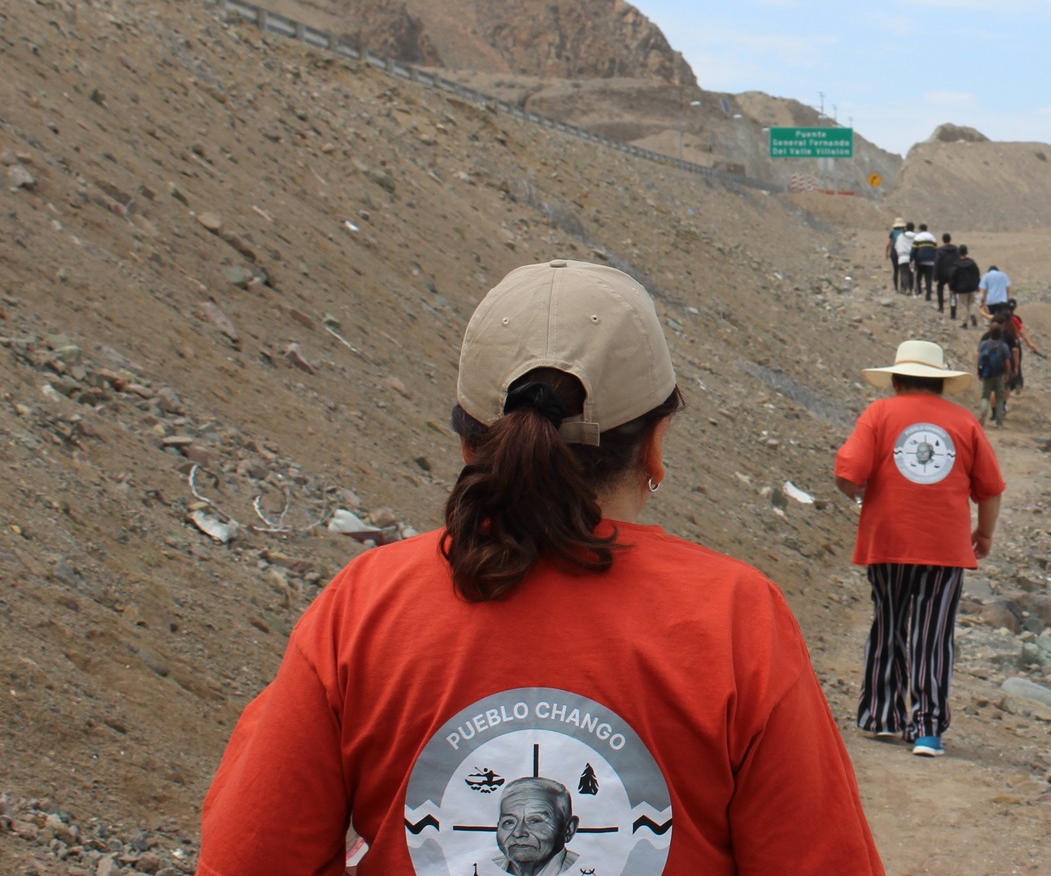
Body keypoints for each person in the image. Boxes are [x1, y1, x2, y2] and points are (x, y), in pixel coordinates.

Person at [201, 258, 882, 875]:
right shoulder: (738, 618)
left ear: (469, 444)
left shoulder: (363, 608)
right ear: (655, 445)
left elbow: (247, 856)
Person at [834, 340, 1004, 759]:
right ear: (940, 383)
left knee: (888, 624)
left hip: (887, 543)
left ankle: (883, 717)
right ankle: (928, 730)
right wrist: (984, 534)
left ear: (896, 380)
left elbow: (848, 475)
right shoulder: (964, 422)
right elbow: (990, 488)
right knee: (934, 635)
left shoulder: (878, 414)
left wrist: (859, 493)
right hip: (945, 549)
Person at [975, 325, 1012, 426]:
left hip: (987, 373)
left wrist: (979, 371)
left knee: (985, 396)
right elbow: (1007, 362)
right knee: (999, 397)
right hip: (999, 374)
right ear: (1000, 334)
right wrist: (1007, 374)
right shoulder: (1004, 346)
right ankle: (999, 422)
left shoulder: (983, 344)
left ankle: (983, 415)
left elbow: (979, 359)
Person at [947, 245, 980, 325]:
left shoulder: (957, 265)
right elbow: (977, 274)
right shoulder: (972, 263)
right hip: (972, 287)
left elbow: (953, 277)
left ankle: (964, 322)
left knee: (963, 305)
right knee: (971, 303)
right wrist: (977, 285)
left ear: (959, 253)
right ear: (966, 252)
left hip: (961, 288)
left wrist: (952, 289)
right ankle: (972, 314)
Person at [933, 234, 961, 314]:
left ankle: (941, 307)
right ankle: (953, 311)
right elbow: (959, 261)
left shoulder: (940, 250)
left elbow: (937, 263)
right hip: (953, 274)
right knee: (953, 292)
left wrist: (935, 276)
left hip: (942, 274)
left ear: (943, 240)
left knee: (940, 289)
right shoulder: (956, 250)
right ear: (950, 239)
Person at [911, 223, 939, 299]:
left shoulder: (918, 237)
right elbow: (936, 250)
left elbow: (914, 249)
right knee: (928, 278)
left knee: (918, 277)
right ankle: (928, 295)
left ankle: (919, 292)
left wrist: (911, 259)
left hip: (920, 260)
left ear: (920, 229)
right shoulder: (932, 237)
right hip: (930, 261)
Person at [892, 222, 916, 294]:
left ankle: (907, 288)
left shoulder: (901, 236)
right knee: (911, 273)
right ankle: (911, 289)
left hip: (902, 258)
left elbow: (896, 247)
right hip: (912, 258)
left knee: (904, 273)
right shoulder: (916, 237)